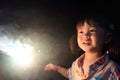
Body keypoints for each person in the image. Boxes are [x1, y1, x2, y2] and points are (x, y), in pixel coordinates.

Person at [44, 14, 120, 80]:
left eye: (92, 30)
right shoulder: (76, 64)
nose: (85, 35)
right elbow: (70, 74)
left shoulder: (112, 69)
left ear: (106, 38)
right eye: (81, 32)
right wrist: (56, 68)